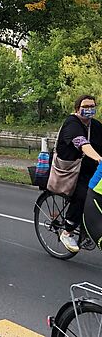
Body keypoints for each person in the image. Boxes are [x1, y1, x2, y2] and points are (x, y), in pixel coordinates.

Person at [53, 94, 102, 252]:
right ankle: (67, 231)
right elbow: (81, 142)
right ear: (77, 109)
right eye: (85, 107)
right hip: (71, 170)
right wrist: (98, 158)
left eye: (92, 106)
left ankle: (88, 225)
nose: (89, 109)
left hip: (91, 169)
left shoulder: (95, 125)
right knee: (83, 195)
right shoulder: (71, 123)